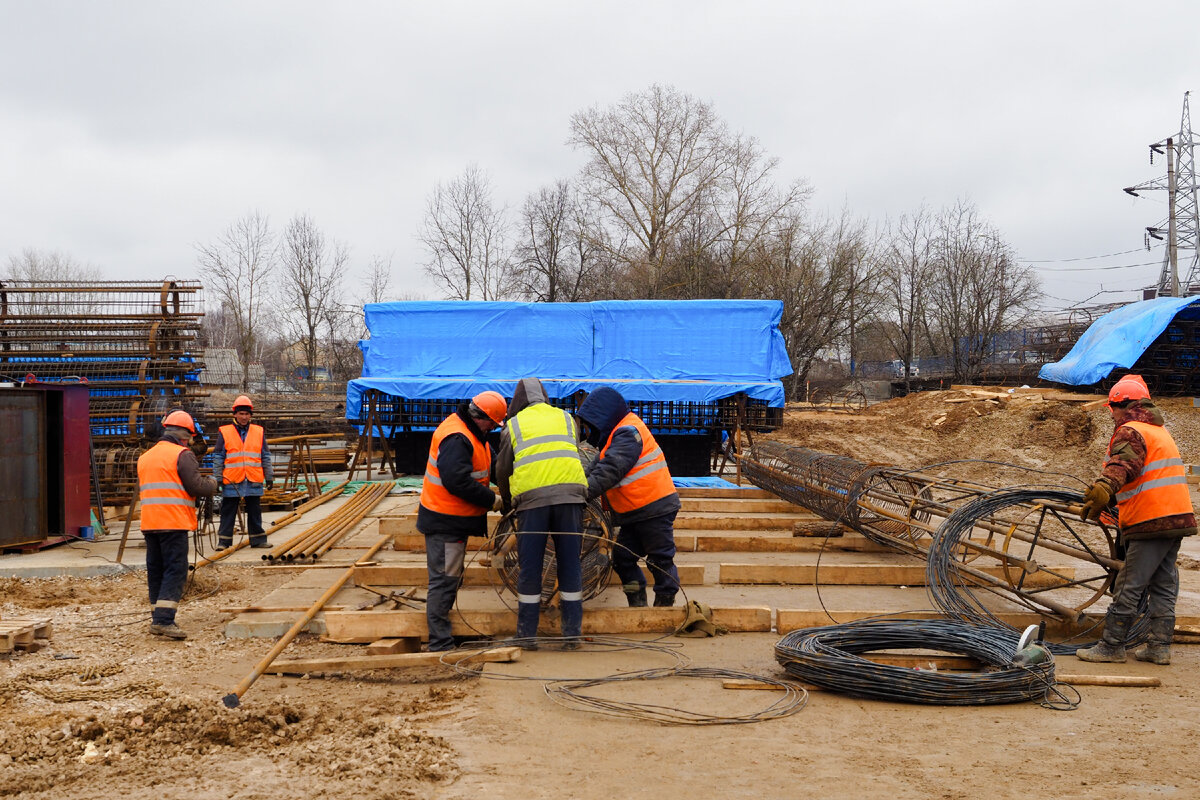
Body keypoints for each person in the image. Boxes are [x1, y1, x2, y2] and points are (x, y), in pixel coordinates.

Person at [1076, 374, 1196, 665]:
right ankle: (1158, 647)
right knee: (1163, 583)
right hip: (1176, 517)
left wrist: (1105, 487)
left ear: (1121, 405)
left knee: (1131, 582)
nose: (1112, 415)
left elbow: (1124, 464)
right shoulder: (1159, 430)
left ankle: (1111, 647)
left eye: (1112, 409)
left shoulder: (1130, 430)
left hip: (1150, 519)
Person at [493, 378, 588, 648]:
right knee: (570, 564)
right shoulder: (568, 418)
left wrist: (510, 503)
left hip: (532, 502)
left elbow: (503, 469)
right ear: (545, 397)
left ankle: (526, 636)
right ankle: (572, 636)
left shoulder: (514, 425)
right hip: (571, 498)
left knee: (530, 568)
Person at [417, 390, 507, 652]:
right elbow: (456, 481)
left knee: (451, 577)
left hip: (453, 520)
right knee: (445, 580)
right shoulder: (457, 437)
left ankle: (442, 636)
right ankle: (440, 643)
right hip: (445, 522)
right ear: (479, 416)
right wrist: (494, 501)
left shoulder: (474, 433)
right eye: (492, 422)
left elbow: (491, 465)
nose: (493, 427)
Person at [576, 387, 681, 608]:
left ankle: (665, 605)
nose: (589, 430)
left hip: (654, 507)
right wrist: (573, 486)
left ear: (603, 415)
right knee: (623, 559)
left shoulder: (628, 431)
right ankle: (637, 601)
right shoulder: (615, 436)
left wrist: (582, 494)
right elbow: (596, 469)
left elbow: (611, 469)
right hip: (635, 512)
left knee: (660, 559)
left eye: (591, 423)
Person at [136, 410, 219, 639]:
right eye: (190, 437)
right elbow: (196, 487)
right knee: (175, 568)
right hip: (173, 521)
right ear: (185, 434)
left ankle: (157, 616)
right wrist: (212, 483)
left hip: (150, 522)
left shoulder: (146, 457)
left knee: (156, 569)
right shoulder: (182, 454)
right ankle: (164, 620)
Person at [213, 395, 274, 549]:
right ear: (235, 414)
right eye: (241, 413)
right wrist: (218, 478)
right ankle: (224, 541)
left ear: (250, 415)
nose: (244, 417)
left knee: (254, 510)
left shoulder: (258, 431)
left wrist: (269, 476)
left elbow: (265, 455)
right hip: (232, 479)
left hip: (253, 478)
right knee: (228, 511)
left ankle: (258, 540)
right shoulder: (225, 432)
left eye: (247, 414)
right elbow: (219, 456)